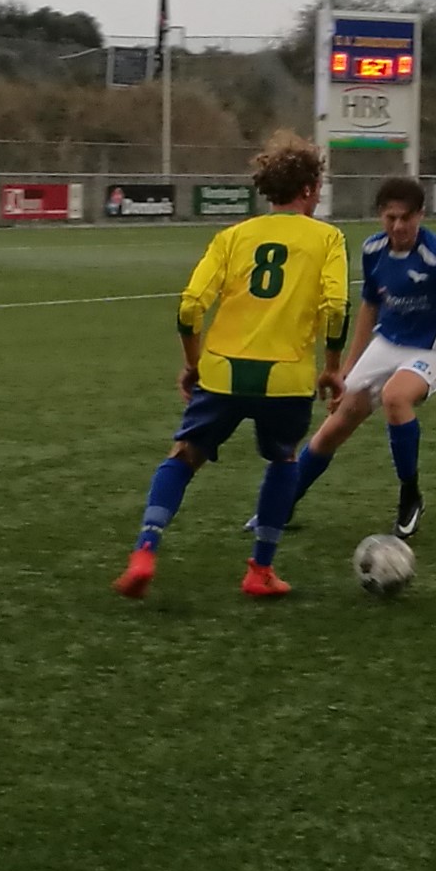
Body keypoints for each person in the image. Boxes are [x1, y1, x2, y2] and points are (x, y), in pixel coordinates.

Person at [113, 133, 351, 600]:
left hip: (221, 372)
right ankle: (259, 569)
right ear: (307, 189)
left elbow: (188, 307)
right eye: (318, 185)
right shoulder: (328, 239)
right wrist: (332, 367)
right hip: (285, 377)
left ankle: (145, 550)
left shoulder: (233, 237)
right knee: (283, 459)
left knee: (184, 455)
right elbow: (338, 307)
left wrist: (193, 364)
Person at [275, 177, 436, 540]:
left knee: (395, 397)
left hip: (434, 348)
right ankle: (286, 501)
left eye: (406, 218)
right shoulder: (373, 250)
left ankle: (410, 496)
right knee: (339, 420)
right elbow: (370, 306)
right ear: (380, 217)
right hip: (388, 342)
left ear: (421, 215)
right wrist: (347, 370)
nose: (398, 226)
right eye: (390, 218)